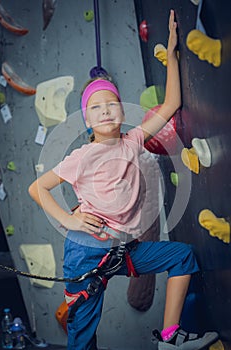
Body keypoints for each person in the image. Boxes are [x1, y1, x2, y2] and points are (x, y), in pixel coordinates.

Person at [28, 10, 219, 350]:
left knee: (182, 257)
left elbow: (172, 103)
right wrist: (69, 218)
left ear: (122, 111)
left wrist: (172, 53)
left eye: (112, 103)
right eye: (97, 107)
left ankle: (170, 339)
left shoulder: (133, 141)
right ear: (87, 120)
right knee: (83, 338)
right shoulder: (82, 157)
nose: (106, 110)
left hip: (122, 249)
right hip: (87, 252)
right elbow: (36, 188)